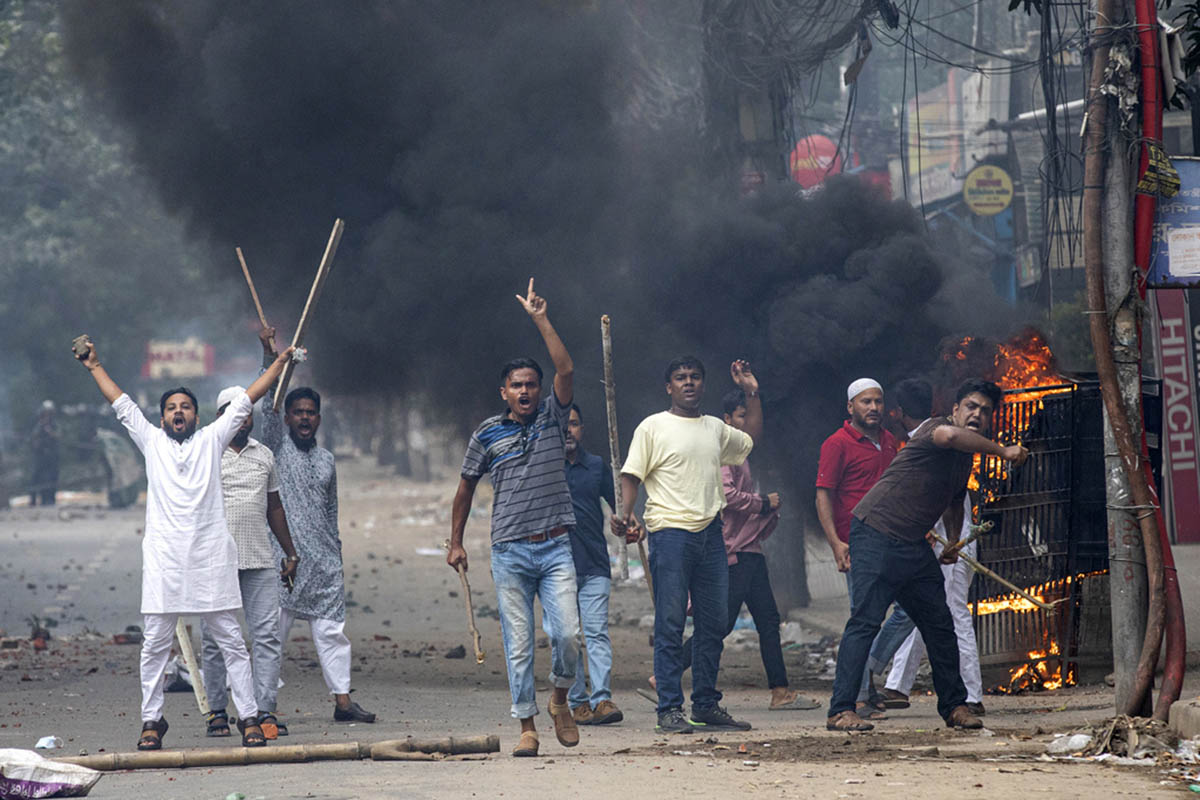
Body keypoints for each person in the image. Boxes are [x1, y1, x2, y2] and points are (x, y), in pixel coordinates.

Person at [75, 335, 294, 750]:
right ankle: (152, 721)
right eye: (172, 408)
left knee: (230, 639)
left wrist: (279, 363)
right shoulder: (151, 442)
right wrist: (94, 366)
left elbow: (249, 397)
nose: (179, 412)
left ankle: (247, 715)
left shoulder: (212, 440)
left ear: (197, 416)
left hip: (211, 558)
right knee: (155, 644)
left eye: (186, 407)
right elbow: (120, 403)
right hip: (165, 562)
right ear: (162, 420)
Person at [447, 279, 597, 758]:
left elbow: (567, 367)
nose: (527, 390)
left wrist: (540, 319)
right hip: (509, 550)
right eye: (518, 385)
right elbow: (466, 487)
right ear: (504, 392)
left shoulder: (555, 417)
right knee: (518, 645)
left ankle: (558, 700)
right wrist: (455, 542)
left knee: (568, 635)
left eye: (532, 384)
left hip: (556, 546)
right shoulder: (487, 434)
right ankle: (527, 726)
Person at [826, 378, 1028, 732]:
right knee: (865, 621)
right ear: (954, 410)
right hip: (875, 531)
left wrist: (952, 542)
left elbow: (953, 500)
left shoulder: (964, 460)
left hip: (911, 544)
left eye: (984, 411)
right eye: (970, 407)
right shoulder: (938, 430)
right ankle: (841, 709)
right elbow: (951, 438)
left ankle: (954, 706)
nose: (977, 415)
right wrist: (1003, 451)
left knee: (939, 623)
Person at [612, 356, 760, 734]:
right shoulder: (653, 427)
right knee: (671, 624)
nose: (689, 383)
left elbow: (749, 441)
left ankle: (706, 705)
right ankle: (669, 709)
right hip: (671, 535)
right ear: (669, 387)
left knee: (714, 625)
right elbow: (632, 474)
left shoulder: (714, 428)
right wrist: (627, 514)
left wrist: (751, 392)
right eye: (680, 378)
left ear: (703, 384)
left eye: (695, 377)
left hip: (712, 534)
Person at [258, 330, 376, 725]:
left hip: (324, 564)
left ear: (318, 419)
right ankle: (264, 708)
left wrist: (337, 557)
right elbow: (267, 409)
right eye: (299, 413)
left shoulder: (326, 460)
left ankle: (343, 703)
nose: (305, 418)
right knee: (272, 637)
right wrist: (273, 360)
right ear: (289, 418)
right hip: (283, 563)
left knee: (332, 635)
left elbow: (331, 512)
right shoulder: (275, 447)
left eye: (311, 413)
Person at [199, 386, 301, 740]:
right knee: (214, 640)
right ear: (219, 417)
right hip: (215, 561)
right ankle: (216, 710)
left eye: (247, 412)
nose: (242, 418)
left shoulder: (264, 456)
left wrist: (290, 552)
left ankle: (265, 710)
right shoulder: (205, 452)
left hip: (260, 559)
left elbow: (274, 508)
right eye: (233, 411)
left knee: (266, 637)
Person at [815, 378, 899, 718]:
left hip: (894, 540)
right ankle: (860, 697)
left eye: (878, 401)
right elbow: (824, 494)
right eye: (866, 402)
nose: (874, 408)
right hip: (857, 544)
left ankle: (869, 666)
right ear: (851, 407)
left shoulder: (891, 441)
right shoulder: (836, 444)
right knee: (863, 616)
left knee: (909, 611)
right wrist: (835, 543)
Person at [882, 492, 986, 715]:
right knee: (921, 612)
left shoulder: (941, 465)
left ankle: (970, 694)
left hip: (951, 548)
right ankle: (898, 685)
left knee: (954, 616)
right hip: (935, 547)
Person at [562, 404, 624, 726]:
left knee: (597, 632)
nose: (567, 430)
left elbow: (621, 507)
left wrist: (625, 523)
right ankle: (577, 701)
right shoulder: (545, 469)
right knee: (568, 637)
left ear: (581, 429)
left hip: (595, 564)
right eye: (562, 424)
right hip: (556, 569)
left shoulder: (597, 466)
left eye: (573, 424)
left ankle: (602, 699)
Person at [29, 401, 59, 506]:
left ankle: (50, 500)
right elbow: (33, 439)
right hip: (40, 456)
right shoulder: (38, 426)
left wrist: (49, 432)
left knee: (52, 478)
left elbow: (58, 436)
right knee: (37, 478)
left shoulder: (54, 425)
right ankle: (33, 500)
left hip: (52, 456)